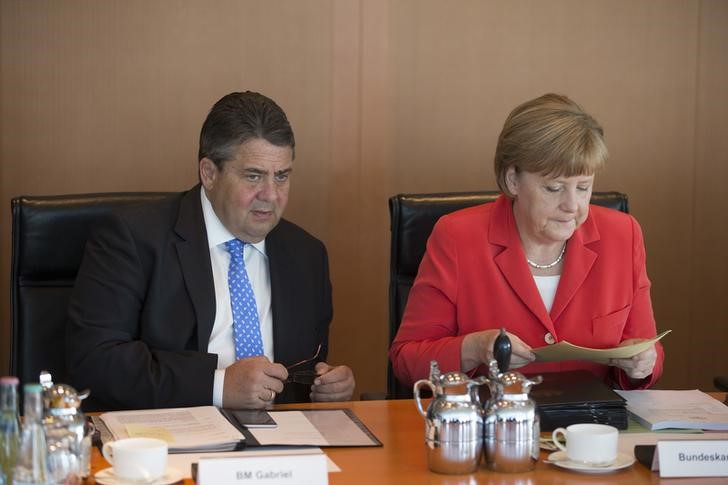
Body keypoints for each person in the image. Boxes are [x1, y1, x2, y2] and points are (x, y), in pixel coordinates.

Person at [67, 91, 355, 410]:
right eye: (253, 176)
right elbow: (95, 361)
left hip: (279, 443)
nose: (271, 195)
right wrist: (217, 386)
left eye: (282, 176)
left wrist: (323, 386)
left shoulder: (306, 255)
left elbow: (300, 369)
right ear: (209, 173)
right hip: (170, 437)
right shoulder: (132, 238)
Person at [390, 93, 663, 390]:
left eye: (583, 187)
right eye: (554, 188)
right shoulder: (457, 237)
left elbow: (647, 350)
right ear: (513, 181)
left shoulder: (622, 235)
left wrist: (643, 362)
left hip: (588, 426)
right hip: (496, 422)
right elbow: (407, 361)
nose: (572, 205)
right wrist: (473, 349)